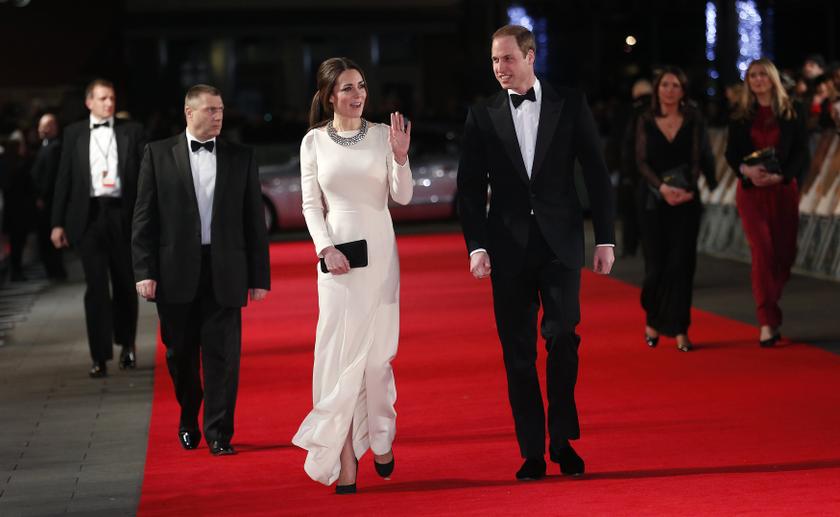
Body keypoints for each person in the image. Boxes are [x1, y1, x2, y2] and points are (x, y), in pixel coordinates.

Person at [457, 25, 615, 481]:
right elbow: (469, 188)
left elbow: (597, 173)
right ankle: (531, 450)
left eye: (507, 58)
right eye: (494, 60)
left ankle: (562, 441)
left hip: (560, 243)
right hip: (506, 249)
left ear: (530, 56)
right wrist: (477, 245)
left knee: (563, 337)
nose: (499, 68)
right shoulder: (482, 114)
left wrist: (605, 238)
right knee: (518, 353)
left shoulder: (570, 103)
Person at [292, 57, 413, 494]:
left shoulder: (382, 135)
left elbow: (402, 196)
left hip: (379, 252)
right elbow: (310, 204)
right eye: (347, 88)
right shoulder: (313, 142)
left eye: (361, 85)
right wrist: (325, 248)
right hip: (337, 260)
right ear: (329, 96)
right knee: (338, 359)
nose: (357, 94)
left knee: (377, 359)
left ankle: (380, 437)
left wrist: (400, 158)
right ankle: (345, 460)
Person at [132, 84, 270, 455]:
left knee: (223, 356)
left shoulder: (241, 157)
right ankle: (188, 413)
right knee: (179, 355)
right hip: (174, 271)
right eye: (210, 110)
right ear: (189, 113)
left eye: (221, 109)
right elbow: (144, 219)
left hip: (225, 269)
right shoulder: (157, 154)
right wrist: (144, 271)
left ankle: (219, 433)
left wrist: (259, 277)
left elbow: (254, 222)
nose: (218, 116)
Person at [51, 79, 144, 377]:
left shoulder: (132, 131)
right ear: (89, 102)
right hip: (88, 217)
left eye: (112, 98)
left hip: (122, 215)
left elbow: (145, 178)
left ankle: (127, 345)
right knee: (96, 289)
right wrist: (57, 223)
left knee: (125, 284)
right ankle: (99, 356)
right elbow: (63, 179)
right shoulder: (73, 133)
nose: (109, 103)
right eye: (103, 98)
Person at [725, 58, 808, 347]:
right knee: (762, 251)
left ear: (772, 78)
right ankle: (767, 321)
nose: (758, 79)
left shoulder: (792, 110)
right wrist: (746, 171)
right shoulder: (740, 115)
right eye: (752, 75)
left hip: (783, 189)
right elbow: (731, 154)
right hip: (751, 192)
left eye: (762, 74)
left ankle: (770, 302)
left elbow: (802, 151)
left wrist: (783, 175)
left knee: (784, 255)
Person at [635, 67, 716, 353]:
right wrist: (662, 188)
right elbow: (640, 161)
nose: (669, 90)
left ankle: (681, 328)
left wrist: (687, 188)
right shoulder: (645, 119)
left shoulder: (694, 119)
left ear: (683, 91)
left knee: (682, 264)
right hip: (653, 201)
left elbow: (698, 157)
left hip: (686, 200)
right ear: (657, 89)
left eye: (675, 85)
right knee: (656, 265)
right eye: (665, 85)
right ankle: (653, 320)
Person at [29, 113, 66, 280]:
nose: (40, 129)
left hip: (48, 203)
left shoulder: (54, 147)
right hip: (43, 201)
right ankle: (53, 270)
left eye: (44, 126)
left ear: (53, 127)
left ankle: (56, 271)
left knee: (48, 237)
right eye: (40, 125)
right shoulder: (45, 146)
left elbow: (50, 176)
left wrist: (42, 197)